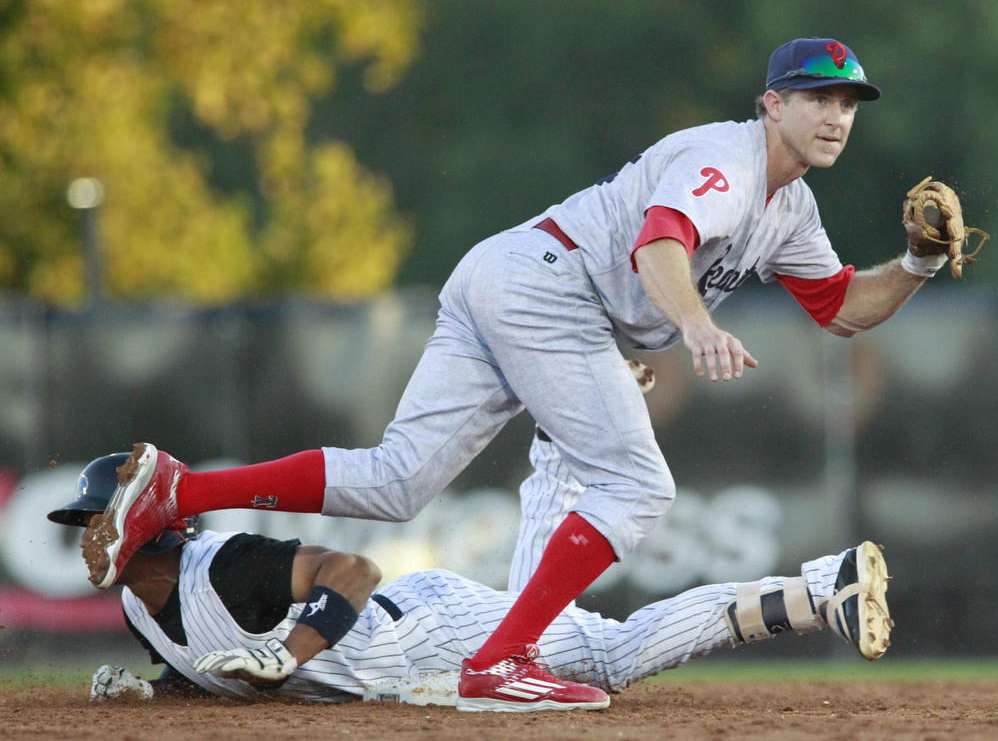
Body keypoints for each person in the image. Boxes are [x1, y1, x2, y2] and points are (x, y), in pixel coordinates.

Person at [82, 36, 925, 712]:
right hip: (552, 287)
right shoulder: (732, 162)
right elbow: (660, 237)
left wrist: (921, 260)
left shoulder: (791, 208)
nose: (835, 114)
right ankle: (501, 660)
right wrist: (695, 323)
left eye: (848, 101)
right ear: (771, 103)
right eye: (816, 96)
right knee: (636, 485)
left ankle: (179, 492)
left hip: (509, 272)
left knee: (395, 480)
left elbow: (844, 306)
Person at [53, 453, 892, 708]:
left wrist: (291, 648)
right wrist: (159, 693)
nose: (87, 540)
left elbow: (354, 568)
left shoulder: (224, 564)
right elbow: (216, 663)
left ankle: (824, 585)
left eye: (95, 522)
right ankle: (566, 450)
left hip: (423, 628)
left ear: (149, 529)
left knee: (609, 654)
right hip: (404, 667)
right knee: (538, 593)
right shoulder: (137, 601)